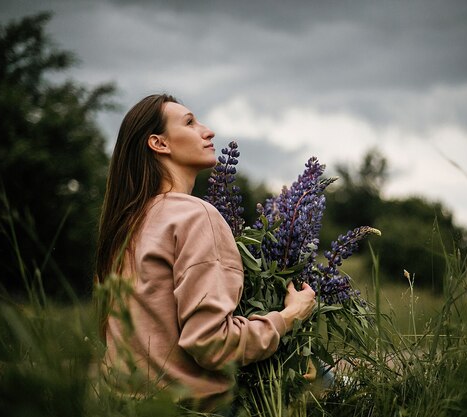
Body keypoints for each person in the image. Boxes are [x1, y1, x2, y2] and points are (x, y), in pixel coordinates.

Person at [94, 94, 316, 412]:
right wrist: (289, 316)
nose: (208, 131)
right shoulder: (196, 215)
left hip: (121, 404)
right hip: (189, 408)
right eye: (190, 122)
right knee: (325, 381)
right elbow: (211, 343)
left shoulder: (127, 222)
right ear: (159, 144)